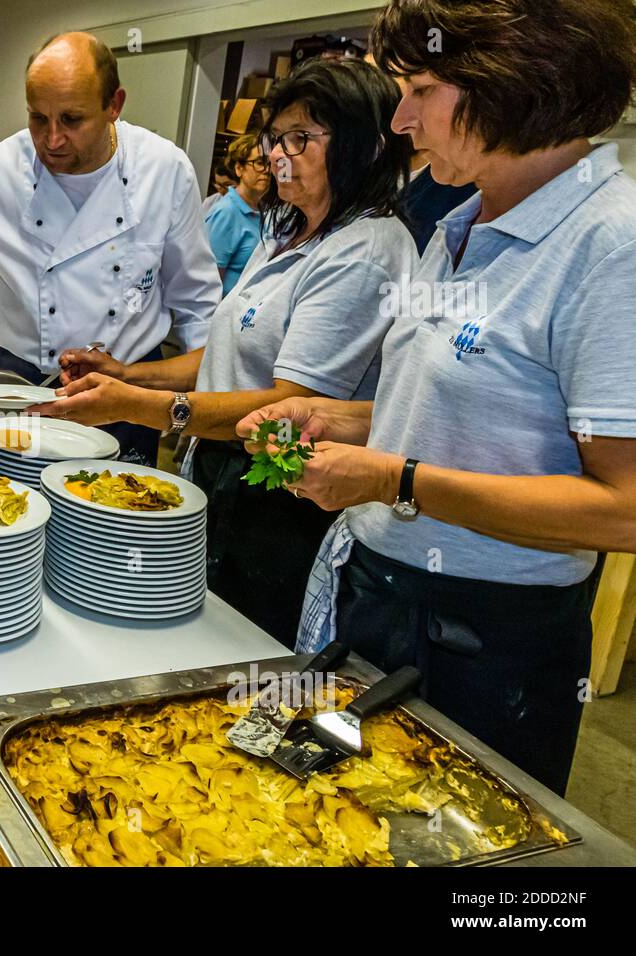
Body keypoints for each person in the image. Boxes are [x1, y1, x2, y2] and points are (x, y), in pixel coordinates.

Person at [238, 0, 636, 795]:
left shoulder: (609, 244)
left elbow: (623, 507)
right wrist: (333, 420)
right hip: (382, 596)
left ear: (513, 84)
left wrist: (396, 480)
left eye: (421, 90)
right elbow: (453, 414)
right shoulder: (460, 222)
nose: (402, 119)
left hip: (488, 642)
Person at [31, 57, 418, 646]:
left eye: (301, 139)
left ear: (363, 145)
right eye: (274, 139)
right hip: (225, 470)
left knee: (246, 651)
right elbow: (226, 353)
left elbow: (293, 404)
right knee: (196, 631)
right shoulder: (288, 228)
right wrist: (130, 372)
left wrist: (139, 406)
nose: (278, 155)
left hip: (285, 499)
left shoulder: (364, 251)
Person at [0, 31, 222, 465]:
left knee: (114, 519)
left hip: (126, 394)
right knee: (4, 511)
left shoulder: (163, 171)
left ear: (114, 105)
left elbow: (197, 305)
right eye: (38, 118)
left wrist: (204, 412)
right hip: (18, 385)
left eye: (72, 120)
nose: (52, 139)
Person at [205, 132, 269, 294]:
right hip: (225, 312)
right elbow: (209, 280)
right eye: (259, 163)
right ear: (239, 169)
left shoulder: (263, 210)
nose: (267, 170)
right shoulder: (226, 212)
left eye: (270, 163)